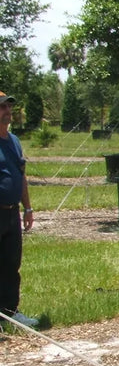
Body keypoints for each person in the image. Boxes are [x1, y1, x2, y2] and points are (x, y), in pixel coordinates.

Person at [0, 91, 38, 328]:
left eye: (9, 107)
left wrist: (28, 208)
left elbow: (22, 176)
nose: (7, 111)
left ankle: (10, 313)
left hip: (12, 214)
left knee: (11, 265)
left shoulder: (14, 141)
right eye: (2, 107)